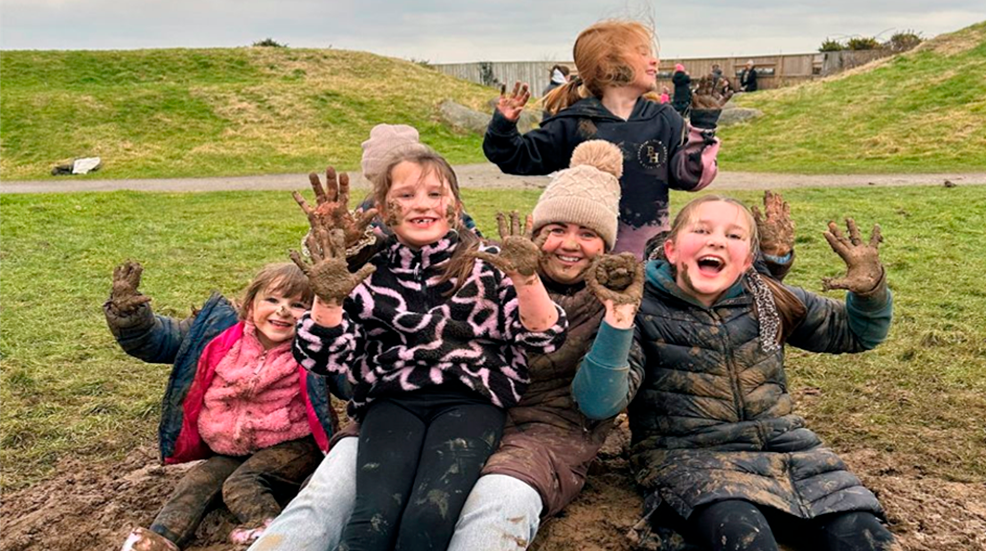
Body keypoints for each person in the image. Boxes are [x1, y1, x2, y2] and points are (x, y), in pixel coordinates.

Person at [573, 195, 896, 551]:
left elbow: (856, 333)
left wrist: (871, 292)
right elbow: (598, 403)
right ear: (671, 250)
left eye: (734, 236)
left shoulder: (769, 298)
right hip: (692, 459)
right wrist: (618, 320)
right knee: (744, 537)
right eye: (702, 230)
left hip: (793, 454)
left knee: (865, 535)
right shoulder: (641, 306)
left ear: (746, 262)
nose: (716, 241)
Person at [289, 141, 567, 550]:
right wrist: (328, 300)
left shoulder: (486, 262)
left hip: (469, 401)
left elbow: (544, 336)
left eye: (435, 194)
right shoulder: (368, 271)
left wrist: (527, 279)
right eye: (406, 195)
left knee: (427, 518)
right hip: (391, 402)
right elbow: (323, 357)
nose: (422, 205)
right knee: (371, 522)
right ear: (384, 210)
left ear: (455, 205)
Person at [106, 261, 339, 551]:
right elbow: (159, 340)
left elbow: (348, 379)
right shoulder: (217, 334)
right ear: (250, 304)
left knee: (242, 483)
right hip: (233, 447)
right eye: (272, 299)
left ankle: (270, 531)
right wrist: (129, 316)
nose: (283, 311)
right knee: (196, 483)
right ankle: (158, 539)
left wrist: (335, 330)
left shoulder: (314, 347)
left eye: (298, 305)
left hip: (293, 445)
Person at [483, 19, 721, 260]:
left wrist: (703, 127)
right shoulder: (573, 122)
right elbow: (517, 157)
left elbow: (688, 177)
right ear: (609, 64)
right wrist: (503, 125)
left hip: (648, 256)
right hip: (582, 258)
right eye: (642, 53)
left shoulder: (663, 118)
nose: (654, 60)